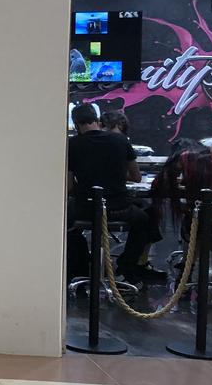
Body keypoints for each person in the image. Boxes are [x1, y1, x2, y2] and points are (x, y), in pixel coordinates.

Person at [67, 104, 164, 283]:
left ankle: (80, 269)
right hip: (119, 208)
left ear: (76, 124)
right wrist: (116, 175)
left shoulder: (72, 145)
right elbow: (136, 176)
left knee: (67, 226)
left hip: (85, 209)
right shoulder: (120, 141)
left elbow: (69, 185)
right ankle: (128, 263)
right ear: (97, 120)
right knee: (146, 219)